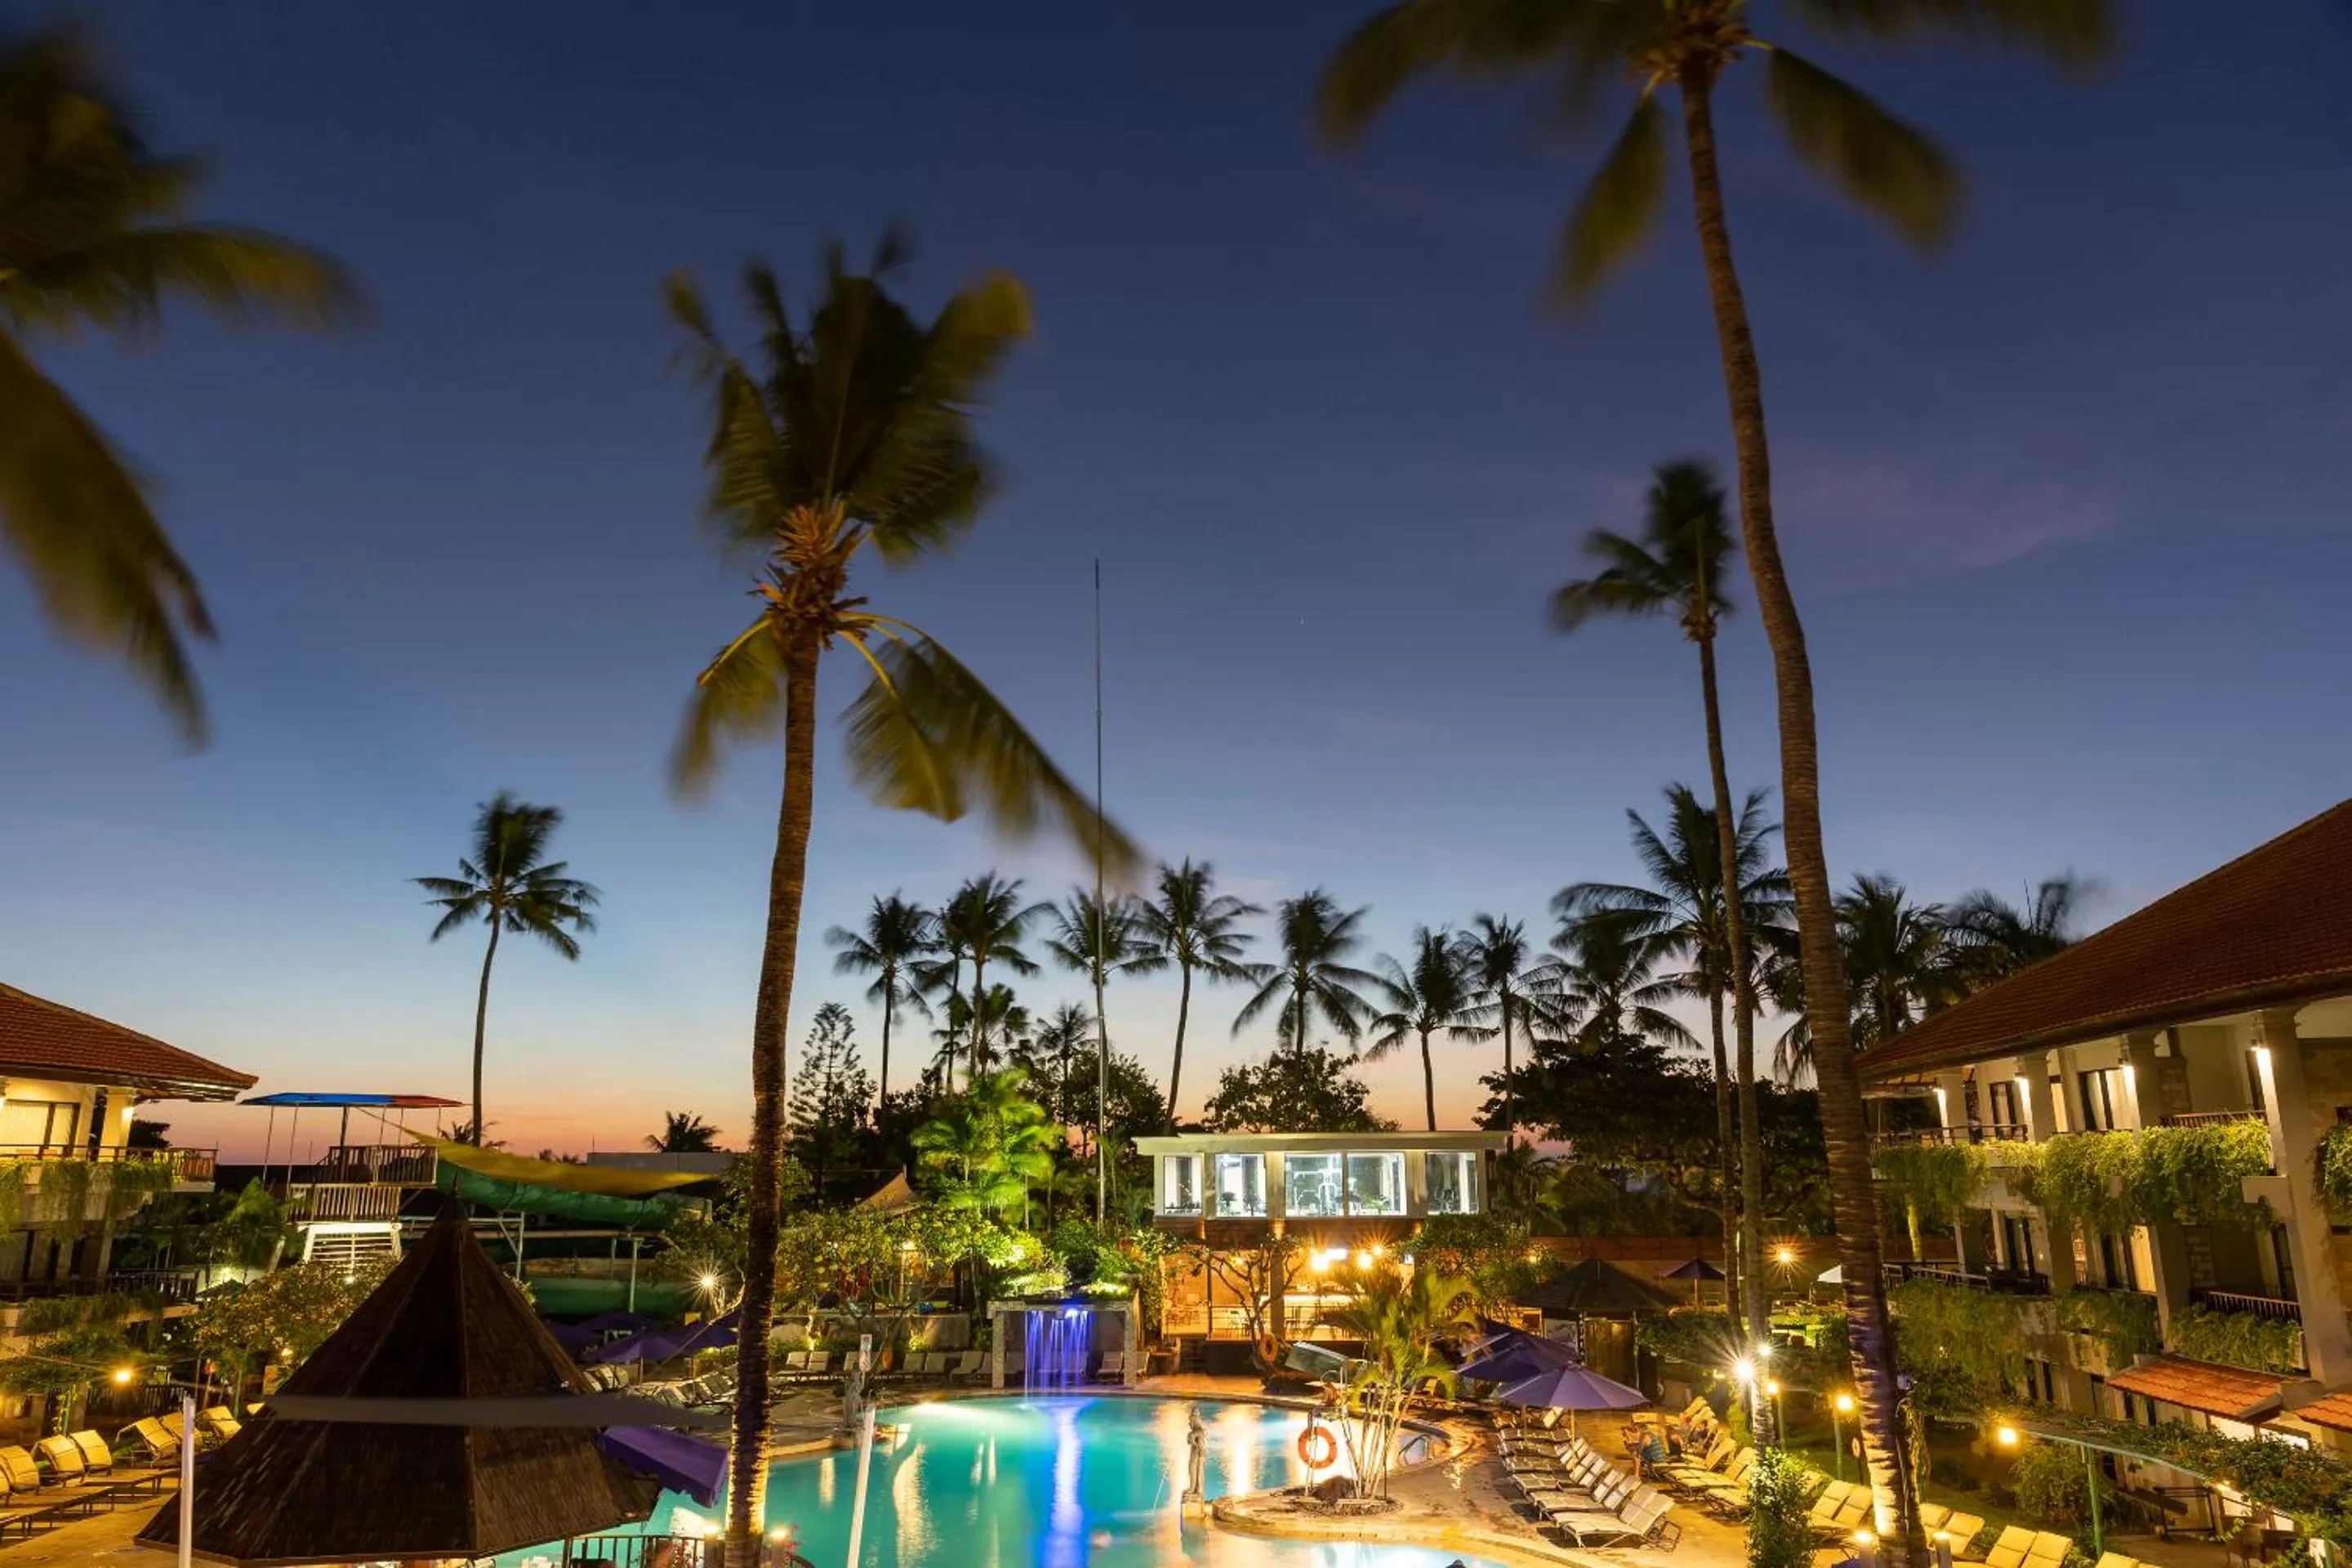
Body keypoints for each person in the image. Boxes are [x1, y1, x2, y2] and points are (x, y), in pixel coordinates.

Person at [1185, 1402, 1207, 1500]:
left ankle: (1194, 1488)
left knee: (1194, 1469)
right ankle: (1195, 1488)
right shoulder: (1196, 1432)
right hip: (1197, 1453)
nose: (1189, 1423)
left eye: (1191, 1421)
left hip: (1198, 1454)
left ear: (1195, 1421)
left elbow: (1196, 1441)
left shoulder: (1199, 1432)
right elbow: (1190, 1441)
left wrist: (1192, 1438)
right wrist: (1191, 1438)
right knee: (1194, 1469)